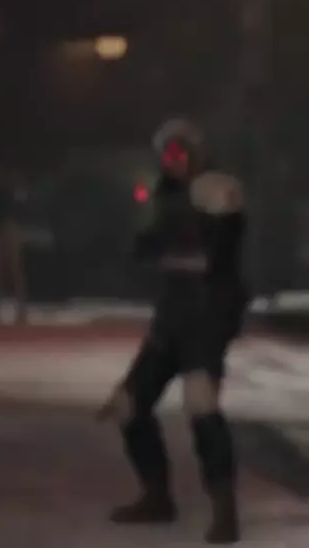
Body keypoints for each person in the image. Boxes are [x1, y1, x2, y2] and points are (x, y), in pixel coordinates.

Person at [98, 118, 246, 544]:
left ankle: (224, 510)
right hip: (173, 317)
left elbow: (214, 252)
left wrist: (172, 252)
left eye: (179, 153)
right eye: (168, 154)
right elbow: (150, 245)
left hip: (207, 318)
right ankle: (157, 496)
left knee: (201, 404)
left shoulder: (215, 191)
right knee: (128, 406)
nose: (172, 161)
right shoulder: (169, 196)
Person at [0, 163, 28, 324]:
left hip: (9, 228)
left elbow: (15, 210)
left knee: (14, 269)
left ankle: (21, 309)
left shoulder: (6, 190)